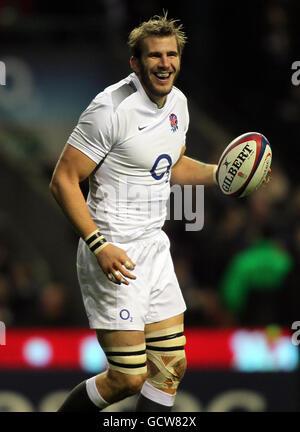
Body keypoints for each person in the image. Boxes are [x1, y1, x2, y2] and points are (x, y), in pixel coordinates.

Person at [50, 13, 218, 412]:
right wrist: (98, 244)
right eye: (155, 55)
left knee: (171, 366)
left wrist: (219, 175)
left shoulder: (179, 103)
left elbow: (169, 165)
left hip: (153, 248)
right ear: (135, 63)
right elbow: (63, 180)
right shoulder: (110, 108)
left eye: (172, 54)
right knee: (127, 378)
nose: (165, 63)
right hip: (112, 251)